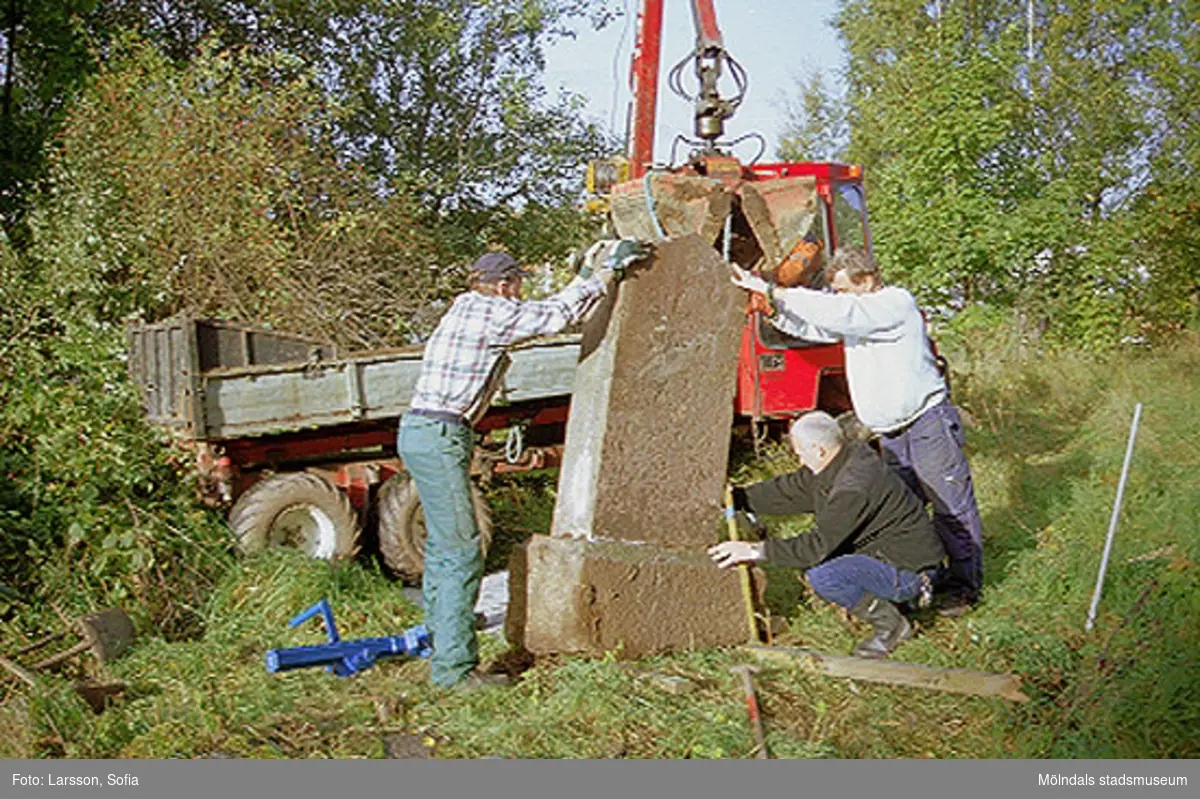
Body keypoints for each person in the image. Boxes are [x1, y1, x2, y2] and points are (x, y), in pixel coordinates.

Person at [399, 242, 649, 690]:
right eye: (516, 286)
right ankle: (454, 671)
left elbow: (544, 309)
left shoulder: (465, 308)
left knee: (443, 544)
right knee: (460, 550)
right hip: (439, 435)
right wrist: (607, 272)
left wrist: (583, 277)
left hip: (423, 431)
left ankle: (443, 632)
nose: (519, 294)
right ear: (502, 285)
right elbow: (555, 316)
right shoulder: (491, 313)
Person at [729, 246, 984, 616]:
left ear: (866, 281)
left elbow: (841, 312)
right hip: (893, 432)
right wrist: (777, 314)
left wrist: (773, 290)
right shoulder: (860, 316)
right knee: (902, 511)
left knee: (949, 505)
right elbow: (818, 326)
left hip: (925, 421)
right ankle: (919, 578)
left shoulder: (893, 304)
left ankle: (963, 588)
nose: (839, 297)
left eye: (844, 289)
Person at [708, 412, 945, 659]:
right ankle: (892, 600)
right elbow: (789, 490)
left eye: (799, 452)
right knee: (821, 563)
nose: (799, 459)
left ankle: (893, 626)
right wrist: (739, 498)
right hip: (887, 555)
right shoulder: (840, 460)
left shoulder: (854, 487)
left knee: (825, 575)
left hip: (911, 571)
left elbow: (816, 547)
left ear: (818, 450)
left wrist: (754, 550)